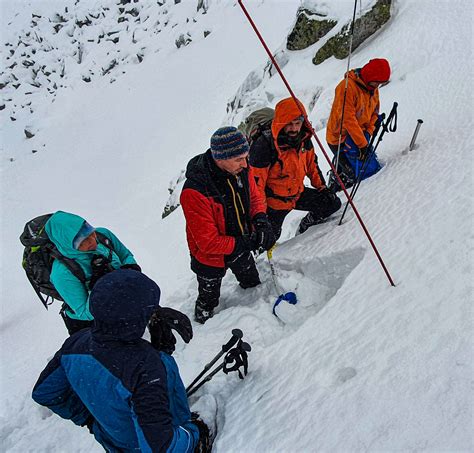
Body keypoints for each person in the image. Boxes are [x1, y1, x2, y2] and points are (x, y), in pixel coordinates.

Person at [32, 269, 211, 452]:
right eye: (149, 310)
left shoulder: (75, 344)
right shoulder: (145, 367)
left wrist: (89, 419)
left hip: (114, 440)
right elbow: (161, 448)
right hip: (158, 442)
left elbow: (44, 392)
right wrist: (195, 433)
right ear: (133, 318)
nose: (152, 315)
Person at [180, 126, 274, 324]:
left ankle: (253, 302)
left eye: (246, 156)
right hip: (209, 256)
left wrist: (260, 219)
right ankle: (204, 323)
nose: (245, 163)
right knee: (208, 295)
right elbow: (207, 242)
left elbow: (254, 196)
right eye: (238, 159)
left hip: (240, 242)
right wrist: (245, 243)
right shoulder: (195, 190)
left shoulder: (242, 169)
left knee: (252, 282)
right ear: (220, 158)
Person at [249, 97, 341, 241]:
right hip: (273, 204)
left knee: (332, 203)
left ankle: (306, 227)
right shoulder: (264, 146)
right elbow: (256, 185)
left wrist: (322, 188)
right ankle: (259, 257)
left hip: (297, 195)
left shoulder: (304, 139)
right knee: (267, 238)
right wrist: (260, 215)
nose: (294, 128)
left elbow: (312, 166)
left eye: (297, 123)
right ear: (281, 123)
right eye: (289, 124)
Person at [44, 210, 141, 335]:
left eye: (90, 232)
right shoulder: (62, 273)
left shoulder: (102, 235)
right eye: (81, 242)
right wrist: (98, 285)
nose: (91, 241)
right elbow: (84, 313)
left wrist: (130, 268)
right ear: (68, 245)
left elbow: (125, 255)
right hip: (90, 327)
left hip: (120, 303)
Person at [326, 58, 391, 191]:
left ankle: (339, 174)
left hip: (359, 136)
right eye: (377, 83)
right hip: (339, 138)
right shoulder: (346, 88)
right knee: (351, 174)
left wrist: (368, 132)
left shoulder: (372, 88)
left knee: (361, 167)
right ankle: (335, 187)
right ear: (370, 77)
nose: (377, 86)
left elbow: (375, 112)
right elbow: (347, 119)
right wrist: (363, 144)